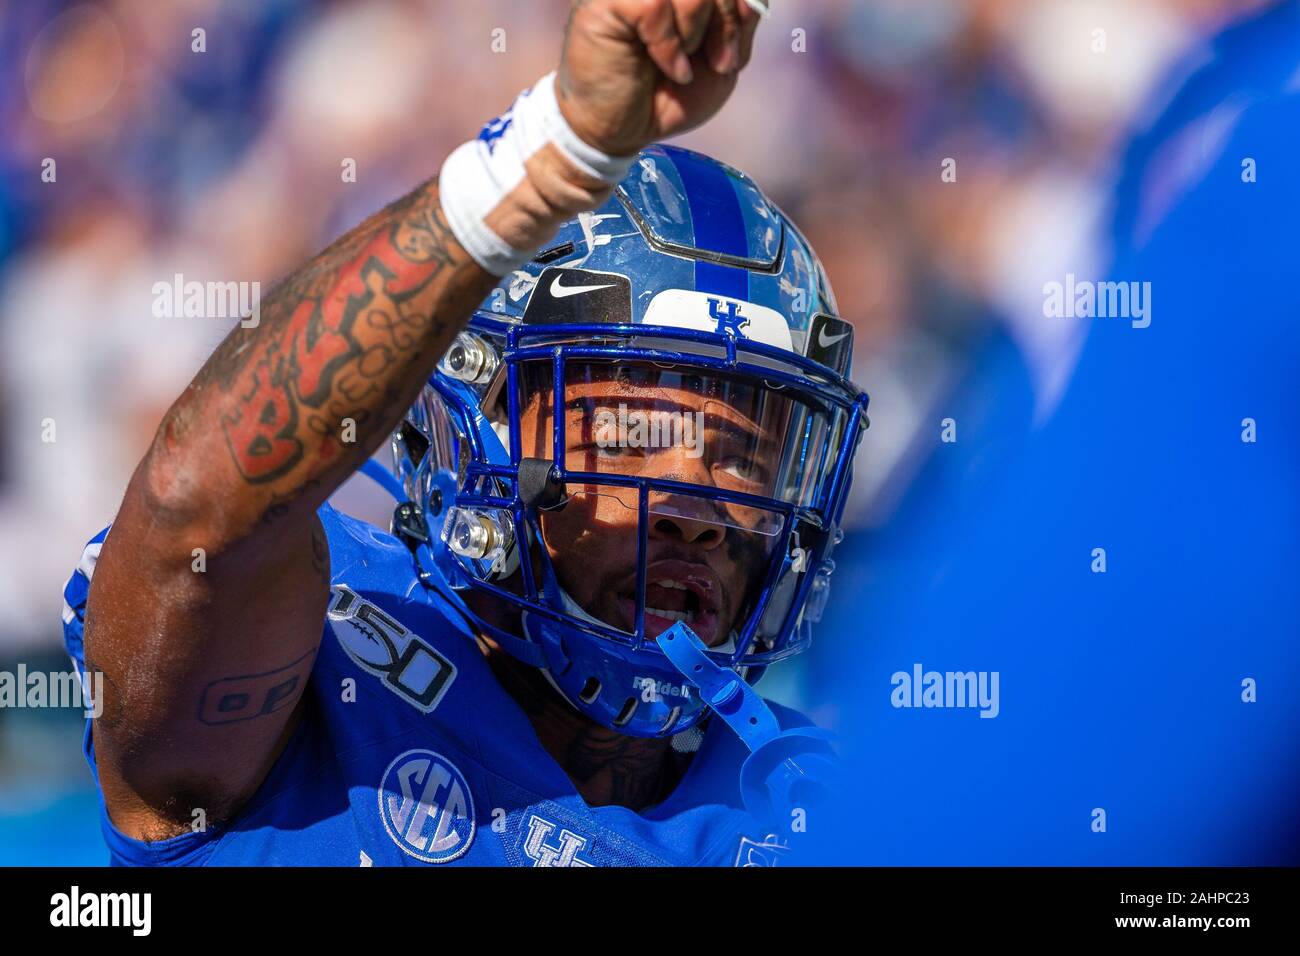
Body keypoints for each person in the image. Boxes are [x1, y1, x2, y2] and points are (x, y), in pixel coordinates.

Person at [62, 0, 868, 866]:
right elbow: (199, 504)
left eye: (743, 454)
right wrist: (545, 158)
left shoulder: (822, 806)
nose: (695, 506)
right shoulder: (321, 661)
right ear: (473, 427)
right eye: (628, 428)